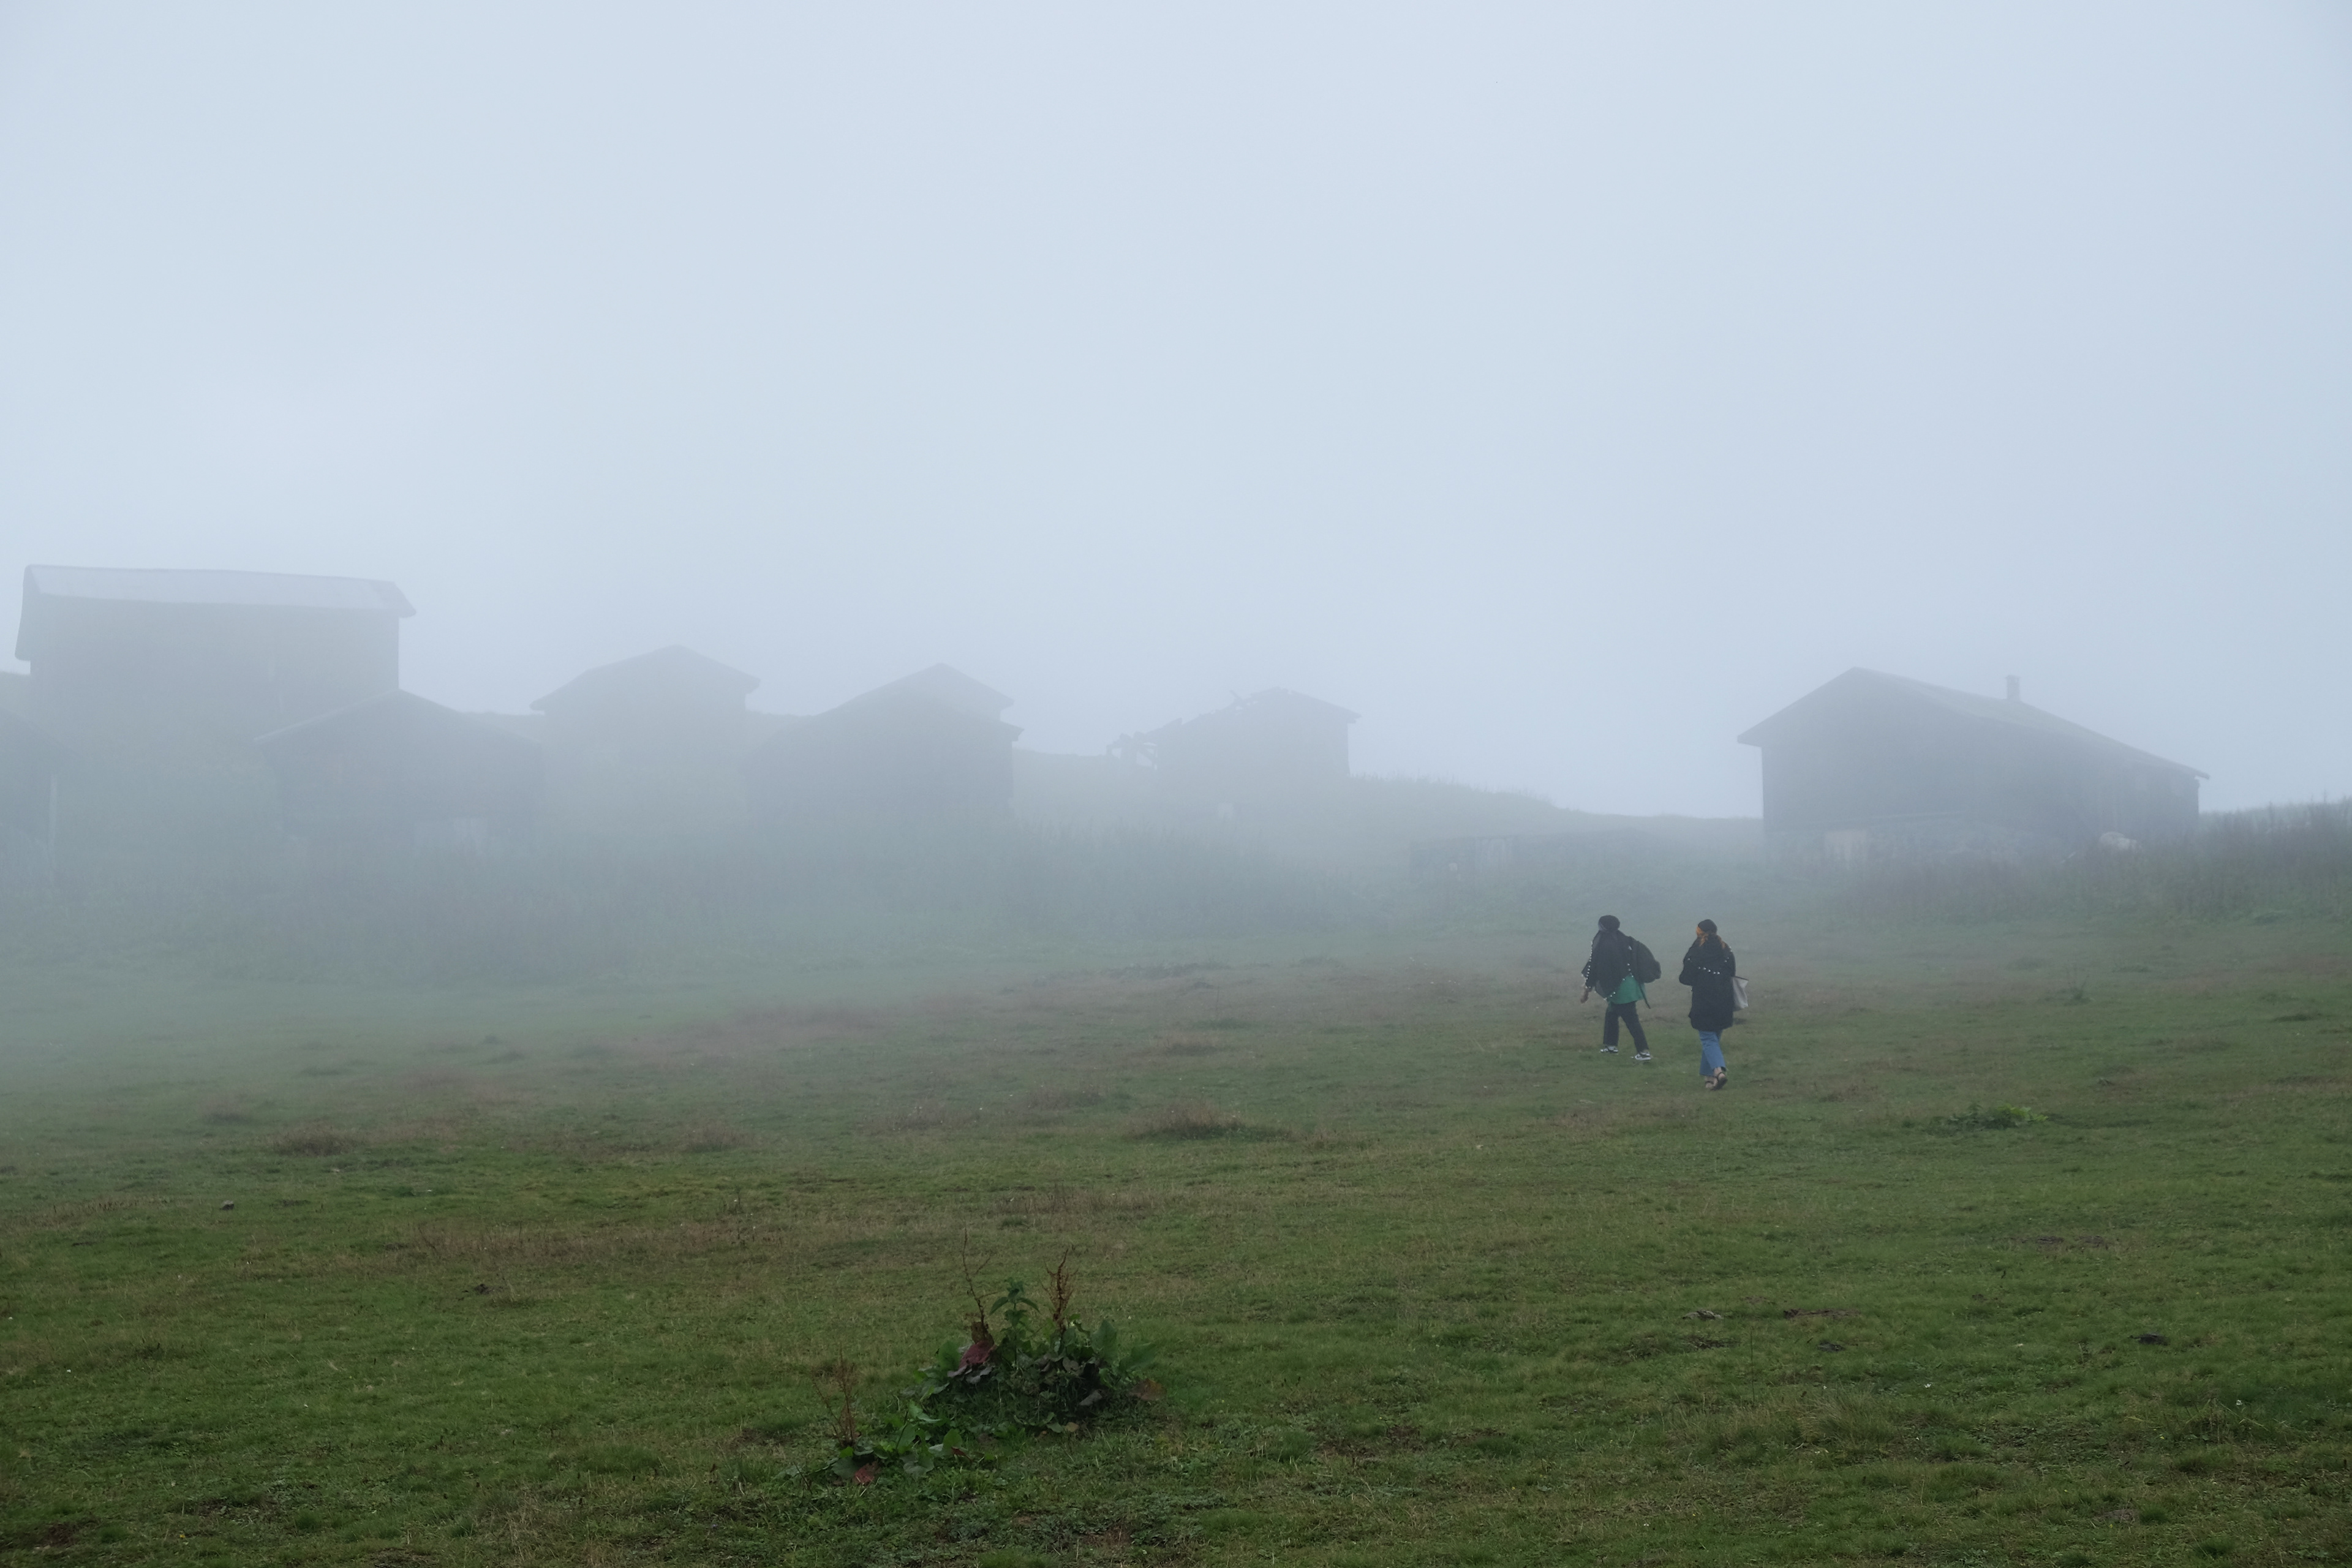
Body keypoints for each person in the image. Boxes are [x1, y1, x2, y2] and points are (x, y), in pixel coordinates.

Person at [1579, 914, 1651, 1061]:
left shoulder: (1603, 945)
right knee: (1612, 1014)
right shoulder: (1625, 940)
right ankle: (1611, 1046)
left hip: (1621, 989)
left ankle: (1644, 1052)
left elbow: (1594, 968)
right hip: (1633, 985)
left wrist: (1587, 989)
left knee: (1631, 1019)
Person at [1678, 918, 1738, 1090]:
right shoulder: (1726, 950)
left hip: (1703, 1000)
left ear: (1699, 932)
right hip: (1724, 1000)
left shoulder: (1696, 950)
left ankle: (1718, 1072)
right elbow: (1732, 972)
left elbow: (1686, 977)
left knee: (1707, 1038)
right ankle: (1709, 1079)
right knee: (1713, 1038)